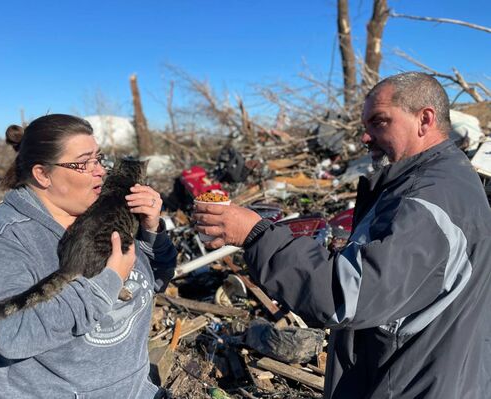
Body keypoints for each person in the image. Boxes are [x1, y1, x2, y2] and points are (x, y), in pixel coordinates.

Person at [194, 72, 491, 398]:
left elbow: (346, 296)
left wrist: (256, 235)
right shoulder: (440, 179)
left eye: (378, 122)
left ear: (424, 119)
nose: (365, 137)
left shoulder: (432, 198)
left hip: (408, 385)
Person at [0, 114, 177, 398]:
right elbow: (6, 333)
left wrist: (151, 231)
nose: (100, 171)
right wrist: (105, 285)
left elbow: (156, 281)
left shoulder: (104, 215)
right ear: (42, 174)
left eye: (99, 159)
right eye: (84, 163)